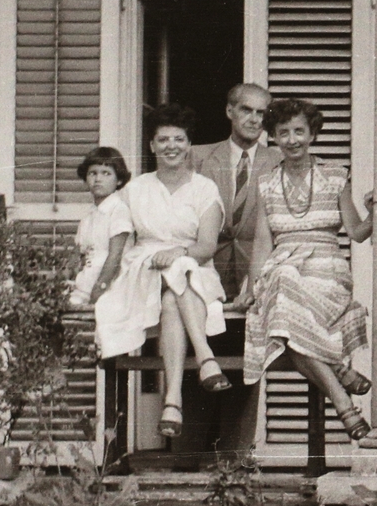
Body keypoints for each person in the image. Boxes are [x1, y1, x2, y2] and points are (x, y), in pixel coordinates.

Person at [240, 96, 374, 442]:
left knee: (284, 313)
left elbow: (357, 233)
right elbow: (262, 245)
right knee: (282, 288)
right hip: (283, 270)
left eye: (299, 131)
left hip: (327, 274)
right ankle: (343, 393)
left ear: (312, 133)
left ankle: (342, 391)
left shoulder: (334, 176)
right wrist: (252, 287)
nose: (292, 140)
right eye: (283, 133)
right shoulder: (267, 183)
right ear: (273, 137)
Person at [95, 104, 230, 440]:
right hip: (145, 271)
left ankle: (172, 400)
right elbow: (118, 239)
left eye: (179, 139)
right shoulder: (134, 190)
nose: (172, 146)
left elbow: (206, 246)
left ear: (188, 144)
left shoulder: (204, 189)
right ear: (152, 146)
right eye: (163, 139)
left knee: (177, 286)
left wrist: (178, 253)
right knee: (174, 280)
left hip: (195, 267)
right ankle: (206, 359)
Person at [191, 82, 281, 298]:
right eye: (246, 110)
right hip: (206, 272)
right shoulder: (198, 157)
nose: (254, 119)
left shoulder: (280, 162)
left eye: (261, 113)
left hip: (259, 277)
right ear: (229, 111)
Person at [69, 146, 132, 312]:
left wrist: (100, 287)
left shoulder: (118, 210)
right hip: (85, 283)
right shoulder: (89, 215)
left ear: (119, 180)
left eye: (106, 173)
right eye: (93, 173)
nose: (98, 179)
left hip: (110, 285)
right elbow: (80, 255)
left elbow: (115, 255)